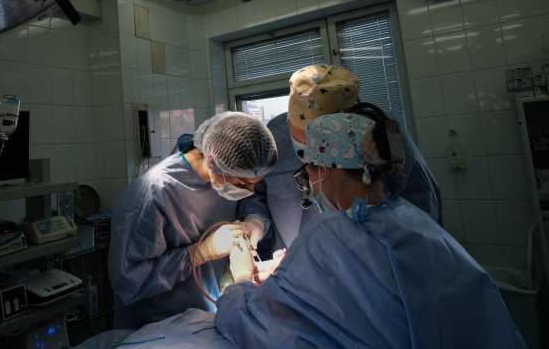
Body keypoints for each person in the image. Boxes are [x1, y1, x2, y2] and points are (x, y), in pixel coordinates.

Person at [215, 112, 525, 349]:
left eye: (310, 170)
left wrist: (240, 282)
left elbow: (263, 330)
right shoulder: (415, 223)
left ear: (329, 169)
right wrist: (296, 271)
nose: (310, 182)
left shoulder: (330, 234)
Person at [242, 64, 441, 254]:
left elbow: (420, 215)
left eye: (320, 148)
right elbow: (255, 190)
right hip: (294, 252)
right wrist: (257, 220)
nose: (311, 166)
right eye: (303, 144)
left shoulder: (382, 138)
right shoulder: (275, 137)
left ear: (349, 129)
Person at [108, 112, 278, 330]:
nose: (251, 189)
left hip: (209, 315)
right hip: (163, 326)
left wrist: (255, 222)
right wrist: (200, 252)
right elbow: (129, 280)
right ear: (214, 162)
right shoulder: (154, 193)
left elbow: (251, 198)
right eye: (244, 184)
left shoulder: (229, 174)